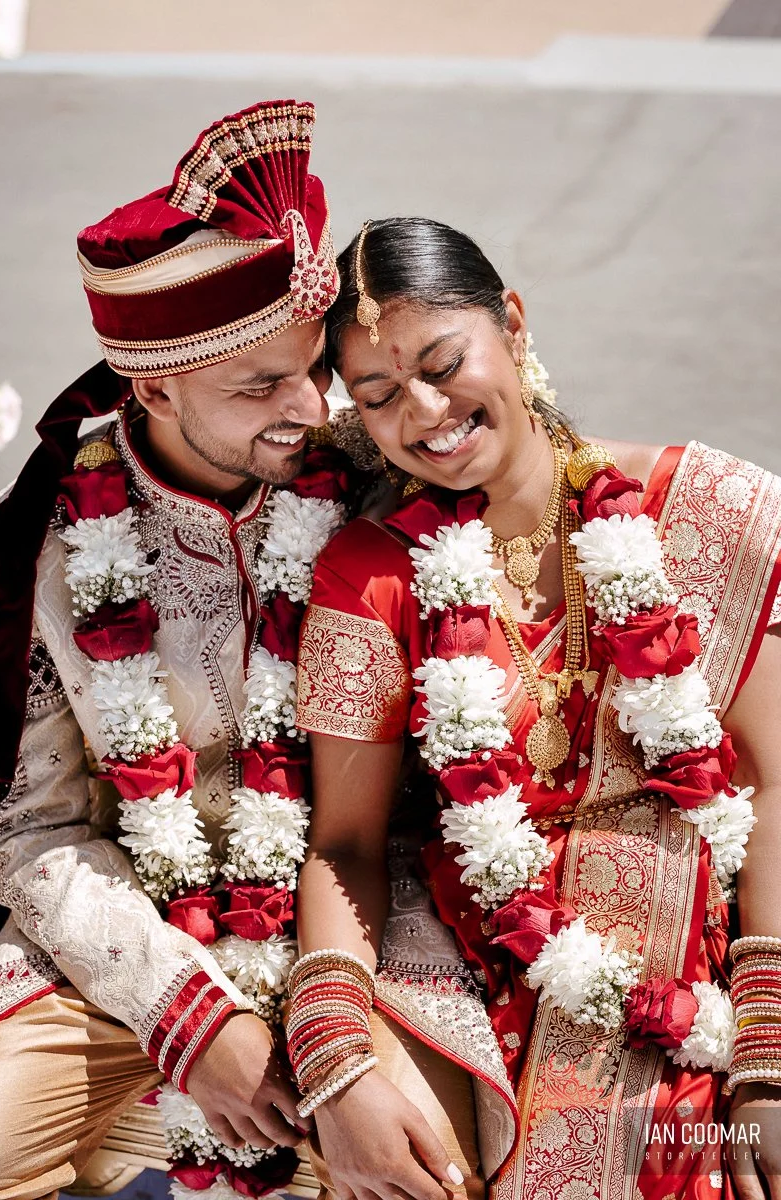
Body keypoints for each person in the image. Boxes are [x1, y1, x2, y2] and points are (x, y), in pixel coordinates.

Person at [292, 216, 781, 1200]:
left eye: (442, 363)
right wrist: (334, 1060)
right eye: (378, 396)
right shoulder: (371, 573)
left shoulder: (711, 512)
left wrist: (767, 1057)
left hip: (701, 954)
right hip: (485, 979)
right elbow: (343, 843)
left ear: (511, 324)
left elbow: (770, 787)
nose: (424, 411)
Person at [0, 98, 382, 1200]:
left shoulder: (370, 486)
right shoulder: (49, 550)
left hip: (345, 946)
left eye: (314, 369)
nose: (309, 409)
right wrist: (189, 1013)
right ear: (150, 388)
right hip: (117, 963)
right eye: (258, 387)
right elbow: (31, 831)